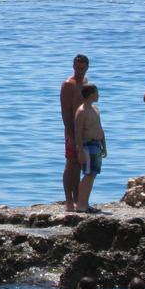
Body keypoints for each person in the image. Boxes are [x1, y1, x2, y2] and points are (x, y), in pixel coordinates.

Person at [60, 54, 89, 211]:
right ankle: (68, 200)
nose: (79, 71)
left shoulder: (86, 83)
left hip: (85, 129)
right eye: (77, 68)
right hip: (72, 129)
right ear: (73, 66)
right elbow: (65, 111)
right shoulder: (68, 85)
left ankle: (78, 198)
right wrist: (70, 135)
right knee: (70, 163)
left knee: (80, 164)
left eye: (82, 68)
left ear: (87, 68)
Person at [74, 84, 107, 213]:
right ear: (91, 94)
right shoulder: (81, 111)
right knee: (88, 174)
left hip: (96, 144)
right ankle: (81, 204)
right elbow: (78, 132)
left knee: (93, 174)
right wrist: (80, 150)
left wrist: (104, 145)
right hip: (87, 145)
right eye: (96, 93)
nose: (98, 95)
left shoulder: (95, 109)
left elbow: (100, 128)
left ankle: (85, 203)